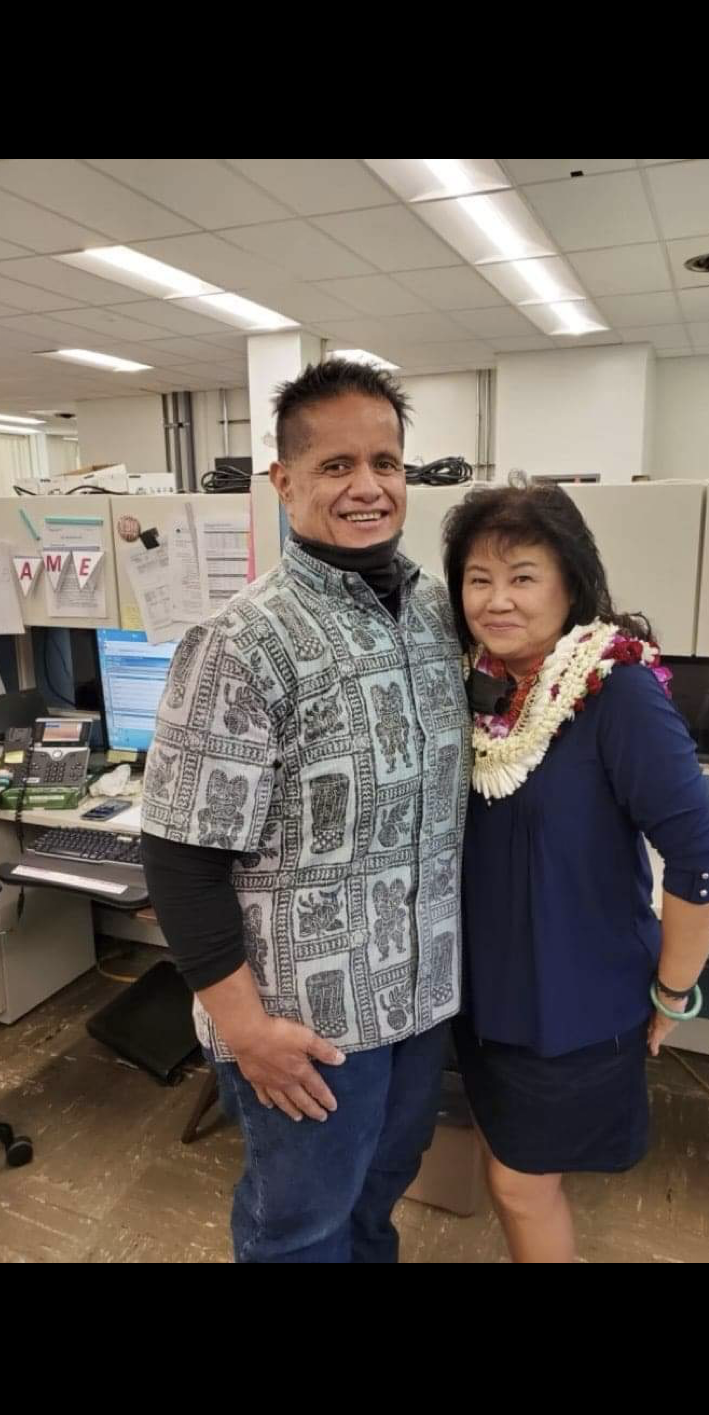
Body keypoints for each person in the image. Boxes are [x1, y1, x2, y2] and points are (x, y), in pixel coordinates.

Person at [141, 359, 470, 1263]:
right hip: (305, 1024)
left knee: (375, 1207)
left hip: (418, 997)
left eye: (386, 462)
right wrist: (246, 1031)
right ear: (283, 480)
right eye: (334, 466)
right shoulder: (240, 642)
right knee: (300, 1230)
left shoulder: (442, 618)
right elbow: (180, 855)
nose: (367, 487)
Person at [442, 483, 709, 1264]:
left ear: (570, 582)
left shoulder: (618, 691)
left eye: (523, 576)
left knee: (520, 1185)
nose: (497, 601)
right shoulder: (475, 685)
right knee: (512, 1174)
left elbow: (701, 861)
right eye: (478, 578)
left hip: (568, 1006)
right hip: (484, 995)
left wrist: (674, 992)